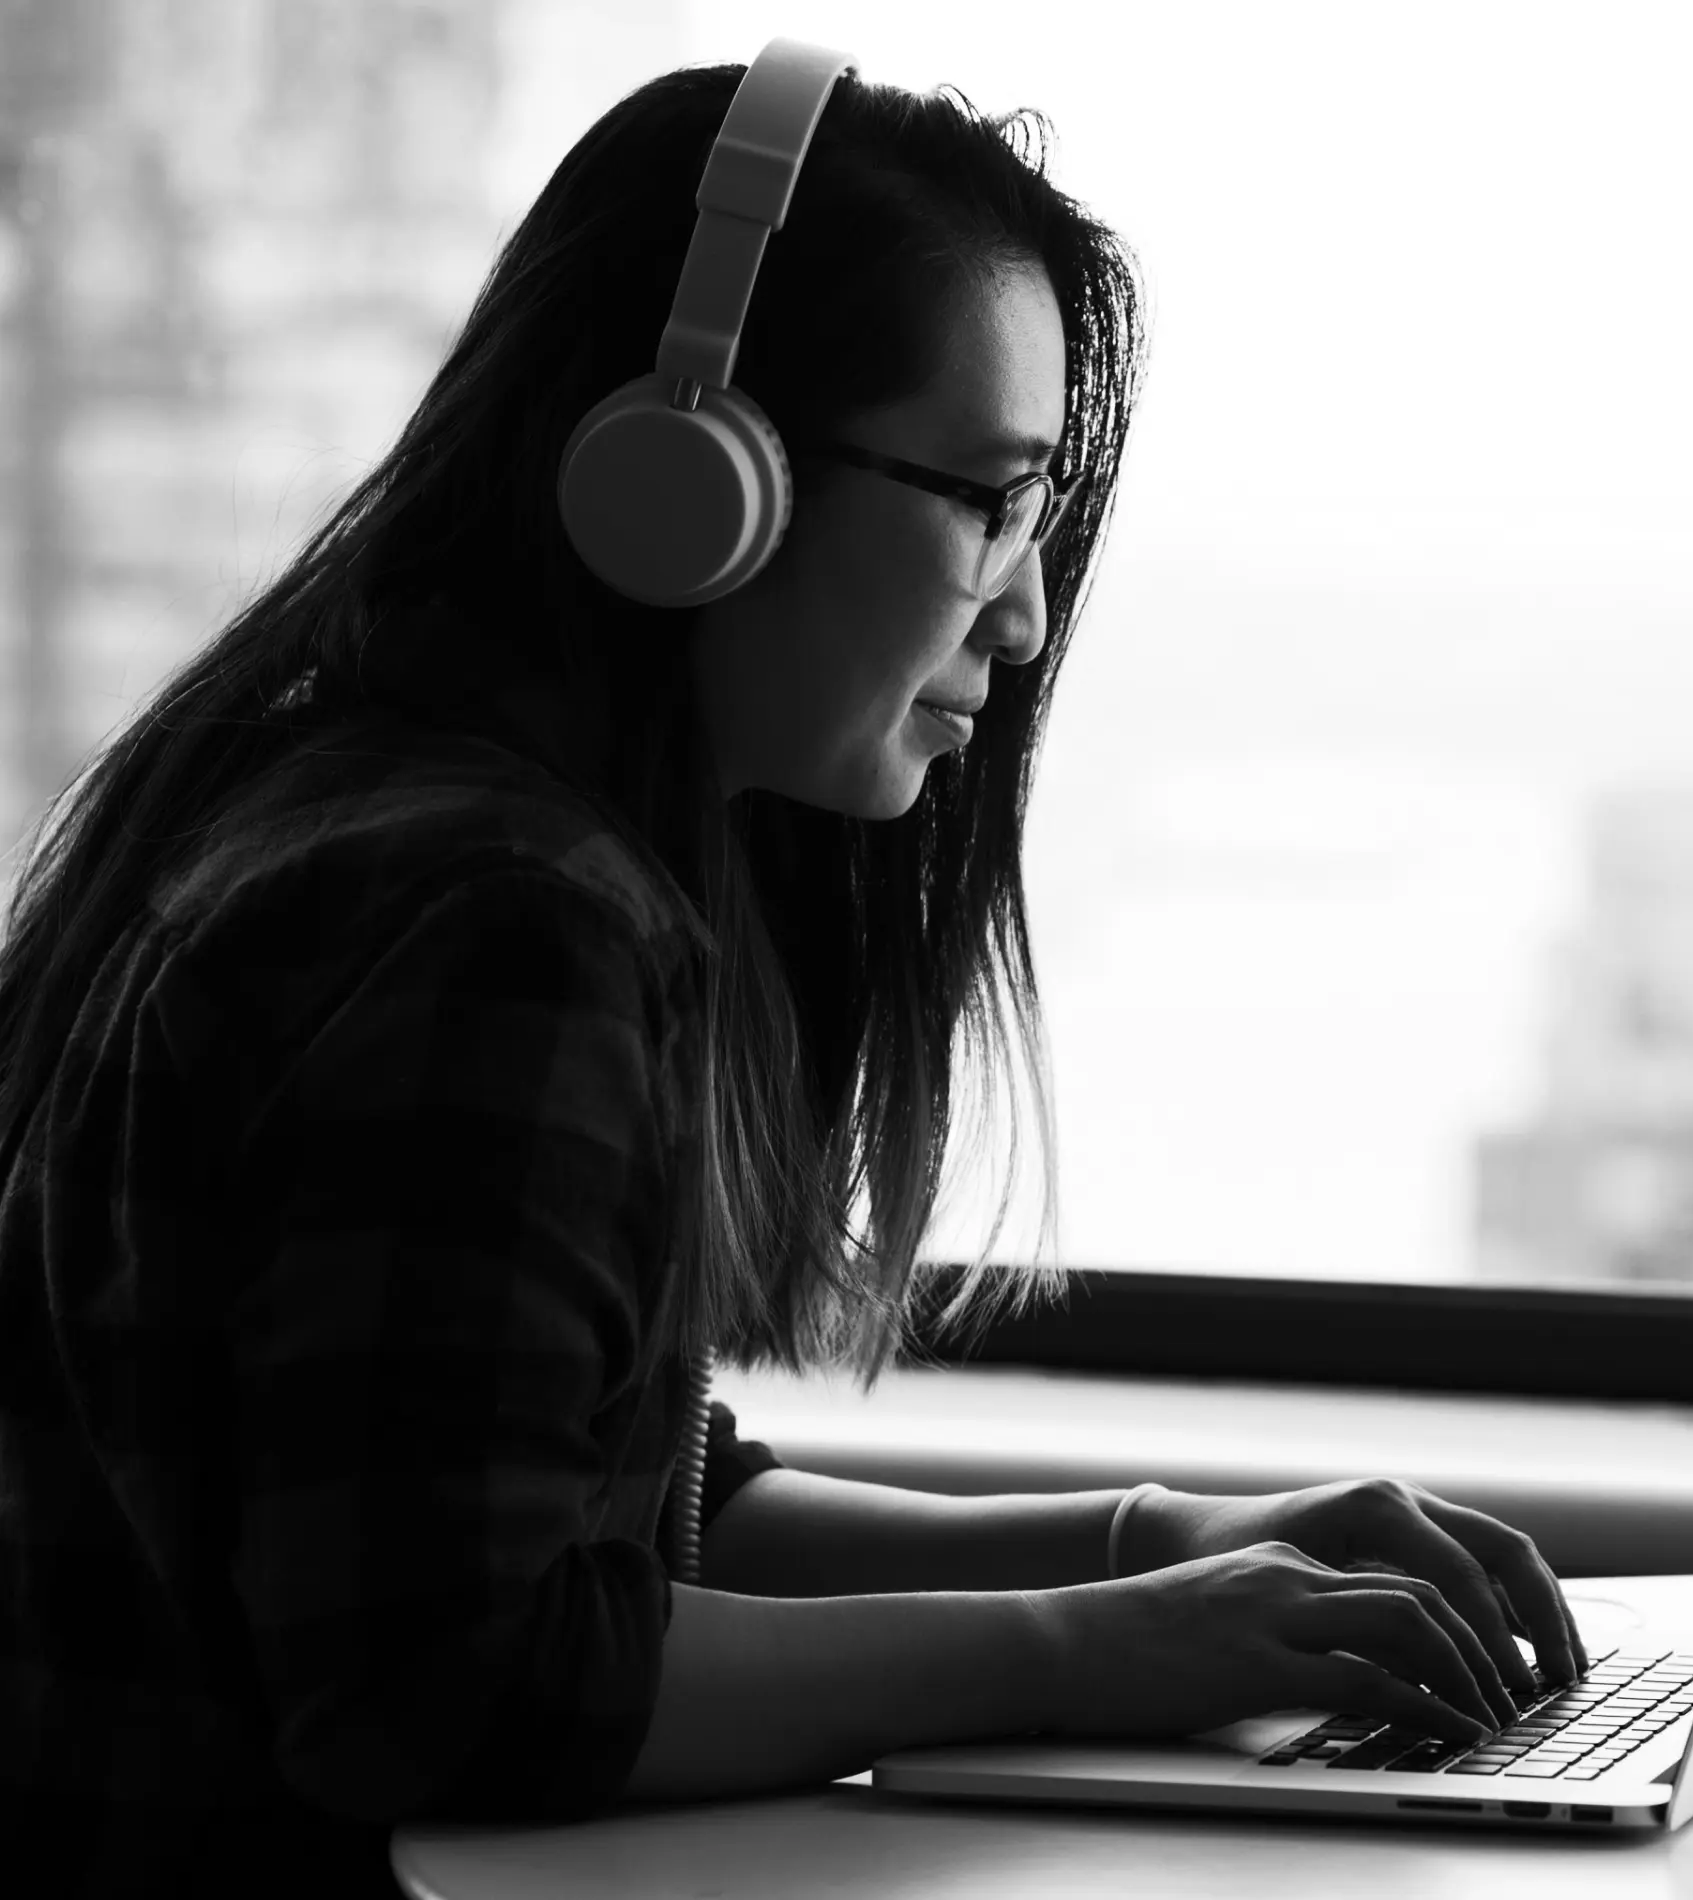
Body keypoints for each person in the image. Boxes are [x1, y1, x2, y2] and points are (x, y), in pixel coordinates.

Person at [0, 51, 1584, 1900]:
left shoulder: (365, 811)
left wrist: (1152, 1545)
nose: (1025, 613)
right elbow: (462, 1683)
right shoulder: (494, 918)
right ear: (695, 478)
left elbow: (641, 1506)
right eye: (988, 502)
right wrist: (1114, 1653)